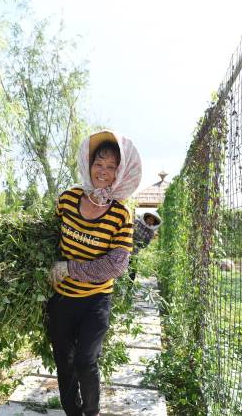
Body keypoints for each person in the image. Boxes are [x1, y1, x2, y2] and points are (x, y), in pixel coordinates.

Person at [46, 130, 142, 416]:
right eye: (98, 164)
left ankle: (91, 412)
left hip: (95, 300)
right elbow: (48, 235)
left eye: (110, 167)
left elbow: (116, 265)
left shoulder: (120, 214)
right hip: (62, 298)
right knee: (63, 361)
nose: (103, 171)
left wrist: (70, 267)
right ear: (88, 166)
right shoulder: (68, 199)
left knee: (85, 361)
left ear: (119, 173)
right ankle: (72, 412)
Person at [129, 211, 162, 281]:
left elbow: (144, 245)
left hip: (134, 253)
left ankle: (129, 286)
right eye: (149, 218)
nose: (150, 221)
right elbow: (128, 231)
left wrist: (135, 243)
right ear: (146, 218)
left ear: (154, 223)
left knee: (132, 271)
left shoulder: (150, 233)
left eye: (152, 220)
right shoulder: (136, 222)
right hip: (125, 247)